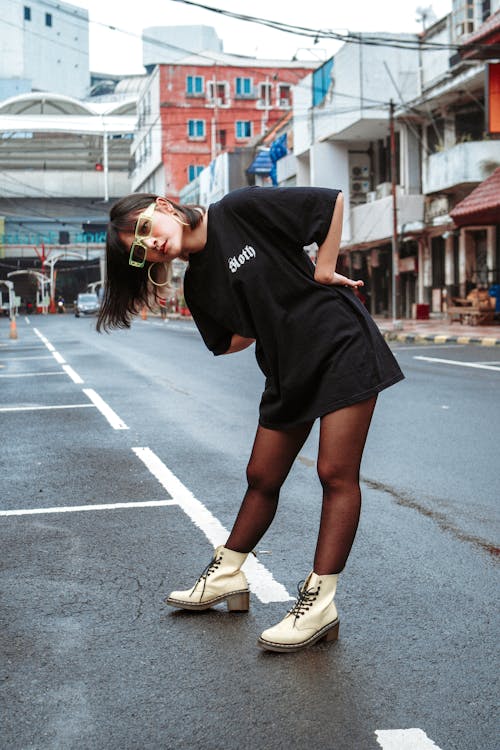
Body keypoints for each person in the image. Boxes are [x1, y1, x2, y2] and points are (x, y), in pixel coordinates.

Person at [97, 186, 404, 653]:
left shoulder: (239, 210)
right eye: (139, 250)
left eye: (145, 230)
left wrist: (321, 270)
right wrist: (268, 312)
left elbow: (331, 203)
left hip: (338, 344)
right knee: (261, 476)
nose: (150, 244)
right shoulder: (197, 284)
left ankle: (319, 603)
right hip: (287, 367)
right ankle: (227, 574)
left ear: (162, 207)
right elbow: (229, 342)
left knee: (334, 473)